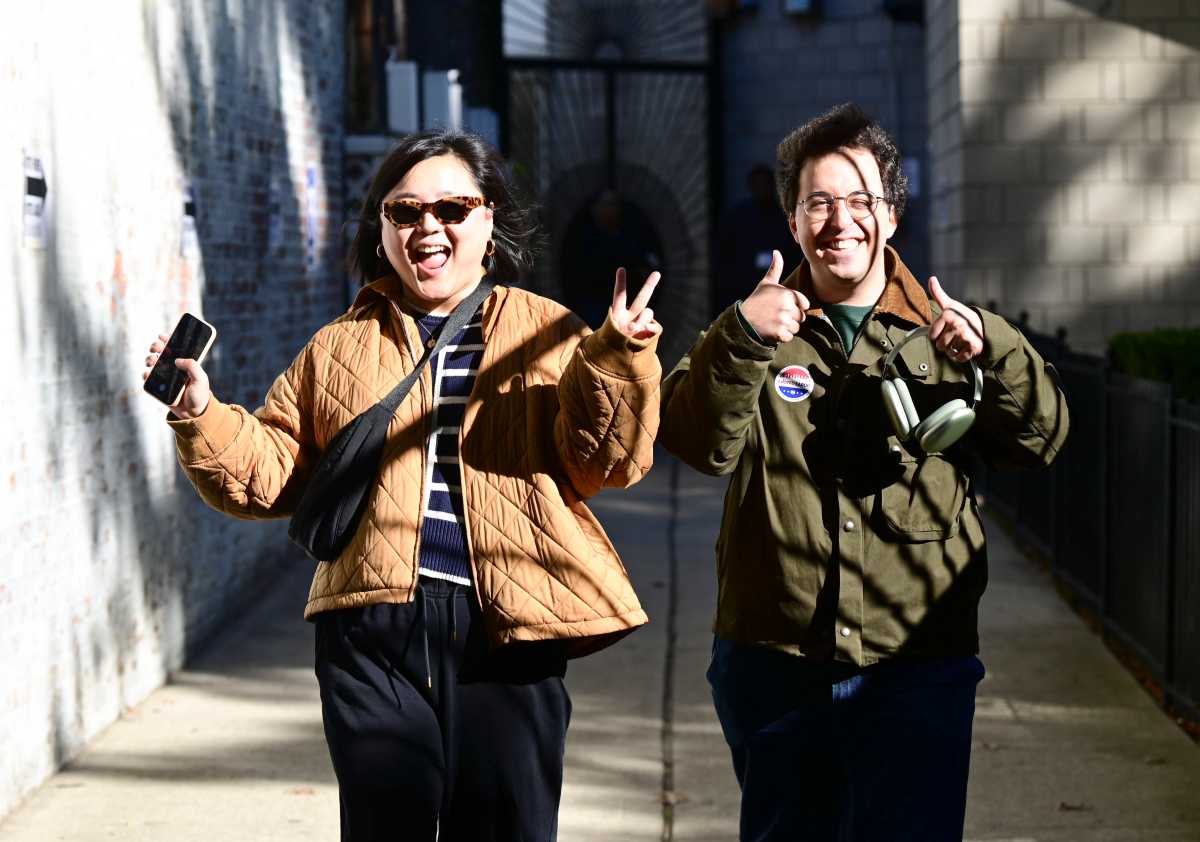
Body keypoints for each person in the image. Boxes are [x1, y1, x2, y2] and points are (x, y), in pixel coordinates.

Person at [141, 129, 663, 842]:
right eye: (404, 211)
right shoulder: (339, 346)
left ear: (488, 220)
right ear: (381, 229)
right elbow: (270, 476)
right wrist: (202, 413)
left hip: (508, 626)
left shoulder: (549, 332)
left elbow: (605, 463)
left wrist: (618, 360)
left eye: (452, 208)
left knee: (506, 825)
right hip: (370, 629)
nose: (428, 228)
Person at [659, 103, 1069, 841]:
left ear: (890, 215)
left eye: (859, 201)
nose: (838, 220)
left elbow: (1043, 441)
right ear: (791, 219)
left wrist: (996, 351)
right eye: (818, 201)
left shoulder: (947, 334)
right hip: (777, 663)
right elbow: (696, 441)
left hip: (917, 661)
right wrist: (743, 337)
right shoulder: (753, 328)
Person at [711, 163, 804, 318]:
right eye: (758, 184)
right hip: (744, 284)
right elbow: (725, 252)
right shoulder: (738, 217)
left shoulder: (785, 217)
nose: (762, 189)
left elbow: (794, 251)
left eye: (765, 184)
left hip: (781, 285)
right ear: (751, 187)